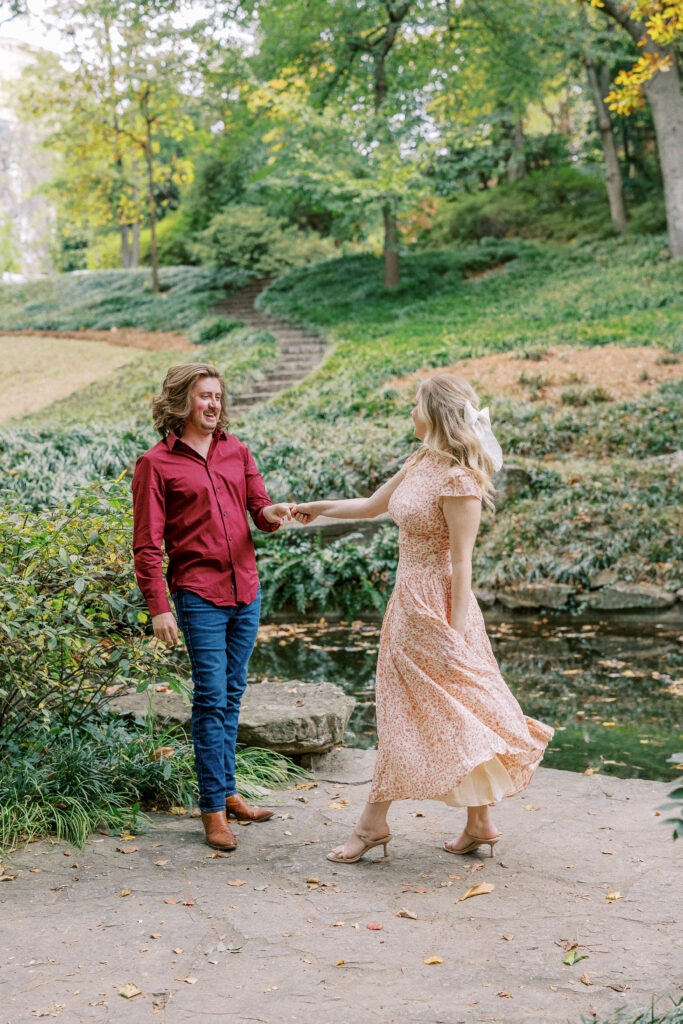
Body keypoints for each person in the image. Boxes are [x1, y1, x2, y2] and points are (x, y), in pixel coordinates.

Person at [293, 373, 554, 863]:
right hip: (406, 603)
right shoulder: (422, 460)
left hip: (439, 607)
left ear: (434, 413)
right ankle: (479, 822)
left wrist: (454, 633)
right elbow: (373, 505)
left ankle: (372, 825)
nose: (409, 414)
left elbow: (461, 562)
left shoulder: (459, 479)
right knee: (431, 710)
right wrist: (313, 508)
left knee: (417, 713)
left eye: (415, 406)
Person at [132, 362, 294, 852]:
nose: (213, 404)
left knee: (233, 694)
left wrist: (275, 512)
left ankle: (229, 793)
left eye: (218, 396)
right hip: (199, 594)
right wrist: (159, 607)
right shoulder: (156, 464)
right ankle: (212, 810)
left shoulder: (235, 449)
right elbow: (146, 544)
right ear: (181, 402)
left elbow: (259, 511)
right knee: (210, 698)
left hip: (246, 589)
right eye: (204, 396)